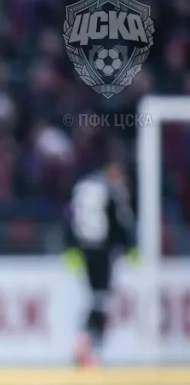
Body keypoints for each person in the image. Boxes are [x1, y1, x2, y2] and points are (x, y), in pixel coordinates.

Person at [63, 157, 136, 367]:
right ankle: (90, 349)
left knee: (93, 298)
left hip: (83, 249)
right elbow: (120, 221)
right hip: (103, 250)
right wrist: (129, 246)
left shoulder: (82, 186)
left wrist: (70, 246)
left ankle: (84, 345)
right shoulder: (113, 190)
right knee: (100, 300)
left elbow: (68, 215)